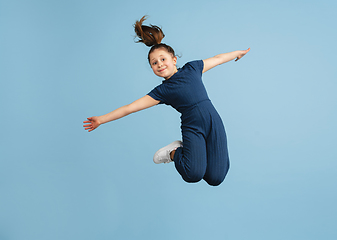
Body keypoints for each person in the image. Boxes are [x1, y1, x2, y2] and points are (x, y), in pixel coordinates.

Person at [83, 16, 250, 186]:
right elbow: (130, 108)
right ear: (152, 68)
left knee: (215, 179)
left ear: (174, 59)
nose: (159, 64)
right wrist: (101, 119)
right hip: (193, 126)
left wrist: (238, 53)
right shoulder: (162, 91)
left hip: (213, 121)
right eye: (154, 63)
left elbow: (218, 58)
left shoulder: (192, 68)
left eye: (163, 59)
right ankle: (174, 152)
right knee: (193, 174)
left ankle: (194, 153)